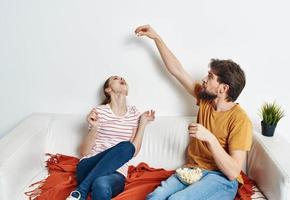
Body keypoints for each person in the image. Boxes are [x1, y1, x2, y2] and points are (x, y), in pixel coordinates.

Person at [135, 25, 252, 200]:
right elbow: (177, 70)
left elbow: (234, 171)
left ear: (223, 88)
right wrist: (157, 38)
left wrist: (210, 138)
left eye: (210, 77)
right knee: (155, 197)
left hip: (221, 178)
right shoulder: (205, 99)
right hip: (192, 170)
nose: (204, 79)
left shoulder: (240, 120)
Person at [66, 75, 155, 200]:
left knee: (102, 183)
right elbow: (84, 151)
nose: (121, 78)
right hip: (89, 166)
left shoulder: (134, 113)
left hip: (116, 173)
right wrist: (95, 127)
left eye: (122, 78)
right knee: (125, 147)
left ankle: (80, 192)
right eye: (115, 78)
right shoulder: (99, 112)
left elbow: (133, 152)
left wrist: (143, 123)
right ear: (108, 89)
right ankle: (82, 191)